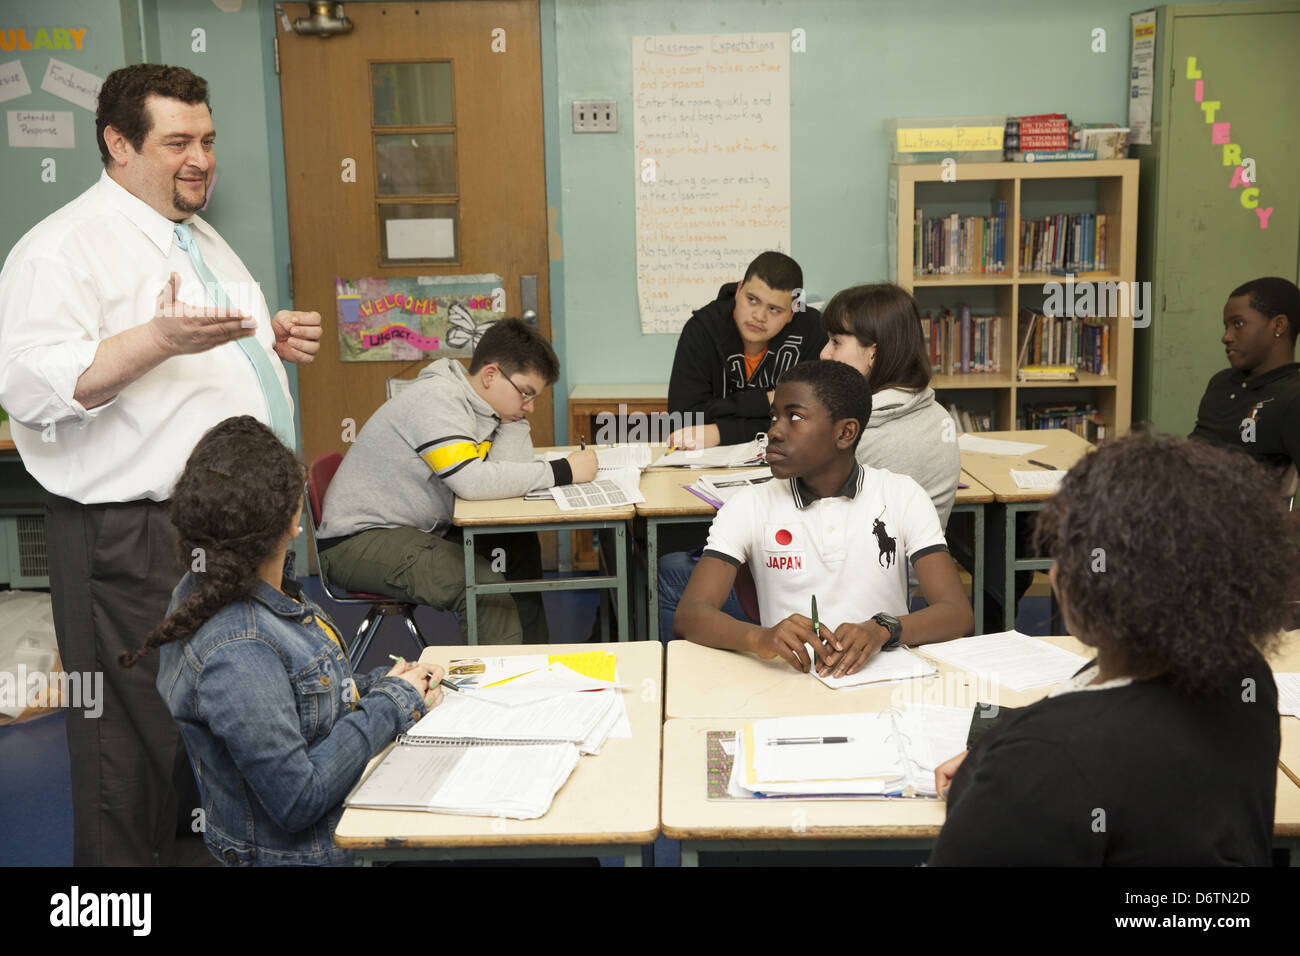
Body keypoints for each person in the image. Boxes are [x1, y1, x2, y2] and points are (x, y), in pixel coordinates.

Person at [0, 64, 322, 865]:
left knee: (201, 749)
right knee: (129, 759)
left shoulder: (194, 235)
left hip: (219, 536)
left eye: (208, 139)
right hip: (130, 540)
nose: (202, 158)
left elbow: (193, 366)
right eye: (178, 141)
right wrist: (160, 341)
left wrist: (265, 344)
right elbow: (32, 388)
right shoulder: (61, 249)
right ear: (117, 143)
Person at [929, 434, 1294, 865]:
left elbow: (1084, 753)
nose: (1052, 568)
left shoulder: (1041, 762)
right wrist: (998, 754)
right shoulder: (1245, 676)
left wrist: (1005, 767)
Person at [121, 417, 441, 866]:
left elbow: (301, 702)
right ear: (294, 518)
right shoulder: (239, 649)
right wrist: (390, 704)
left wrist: (379, 685)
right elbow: (298, 799)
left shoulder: (213, 588)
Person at [673, 360, 973, 678]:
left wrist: (882, 629)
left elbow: (957, 614)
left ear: (845, 433)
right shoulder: (748, 506)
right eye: (774, 416)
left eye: (795, 417)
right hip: (790, 683)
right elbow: (690, 615)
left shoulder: (902, 495)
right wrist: (760, 637)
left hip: (884, 680)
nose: (774, 431)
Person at [317, 318, 597, 644]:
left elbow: (507, 476)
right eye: (526, 393)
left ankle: (532, 662)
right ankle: (500, 688)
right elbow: (473, 483)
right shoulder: (436, 400)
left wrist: (513, 416)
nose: (531, 406)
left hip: (412, 528)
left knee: (517, 545)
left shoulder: (484, 406)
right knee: (482, 586)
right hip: (357, 542)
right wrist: (564, 471)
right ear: (490, 375)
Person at [819, 283, 960, 527]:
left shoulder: (859, 432)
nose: (824, 353)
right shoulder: (939, 415)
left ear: (873, 351)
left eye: (836, 342)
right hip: (917, 563)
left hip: (864, 563)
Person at [666, 251, 826, 451]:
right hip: (705, 464)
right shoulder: (701, 329)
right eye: (752, 299)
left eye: (774, 309)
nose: (759, 316)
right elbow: (682, 422)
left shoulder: (812, 330)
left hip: (785, 462)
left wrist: (720, 432)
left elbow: (813, 422)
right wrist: (770, 400)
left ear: (792, 312)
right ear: (739, 290)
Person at [1190, 276, 1300, 502]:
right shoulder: (1221, 383)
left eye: (1238, 324)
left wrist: (1273, 524)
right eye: (1226, 326)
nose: (1226, 337)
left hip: (1238, 527)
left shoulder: (1292, 397)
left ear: (1278, 325)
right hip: (1186, 508)